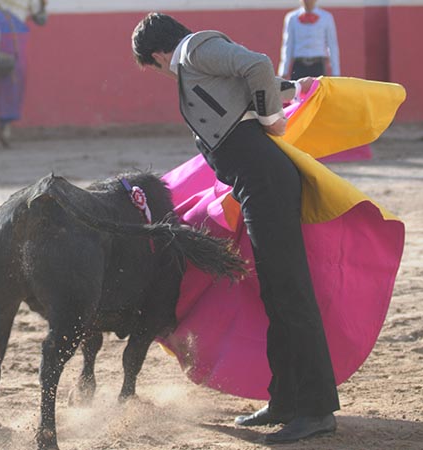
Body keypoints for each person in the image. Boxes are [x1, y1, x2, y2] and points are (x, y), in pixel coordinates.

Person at [132, 12, 340, 444]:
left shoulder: (194, 49)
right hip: (254, 183)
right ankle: (284, 399)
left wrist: (271, 119)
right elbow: (249, 86)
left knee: (290, 290)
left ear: (156, 54)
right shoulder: (198, 65)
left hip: (263, 179)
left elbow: (257, 64)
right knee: (276, 291)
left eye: (152, 67)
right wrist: (292, 92)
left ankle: (317, 409)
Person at [278, 0, 340, 79]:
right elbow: (287, 45)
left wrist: (336, 72)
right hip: (299, 65)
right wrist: (283, 70)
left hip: (318, 65)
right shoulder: (292, 18)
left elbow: (332, 45)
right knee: (297, 90)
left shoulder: (326, 17)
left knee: (318, 90)